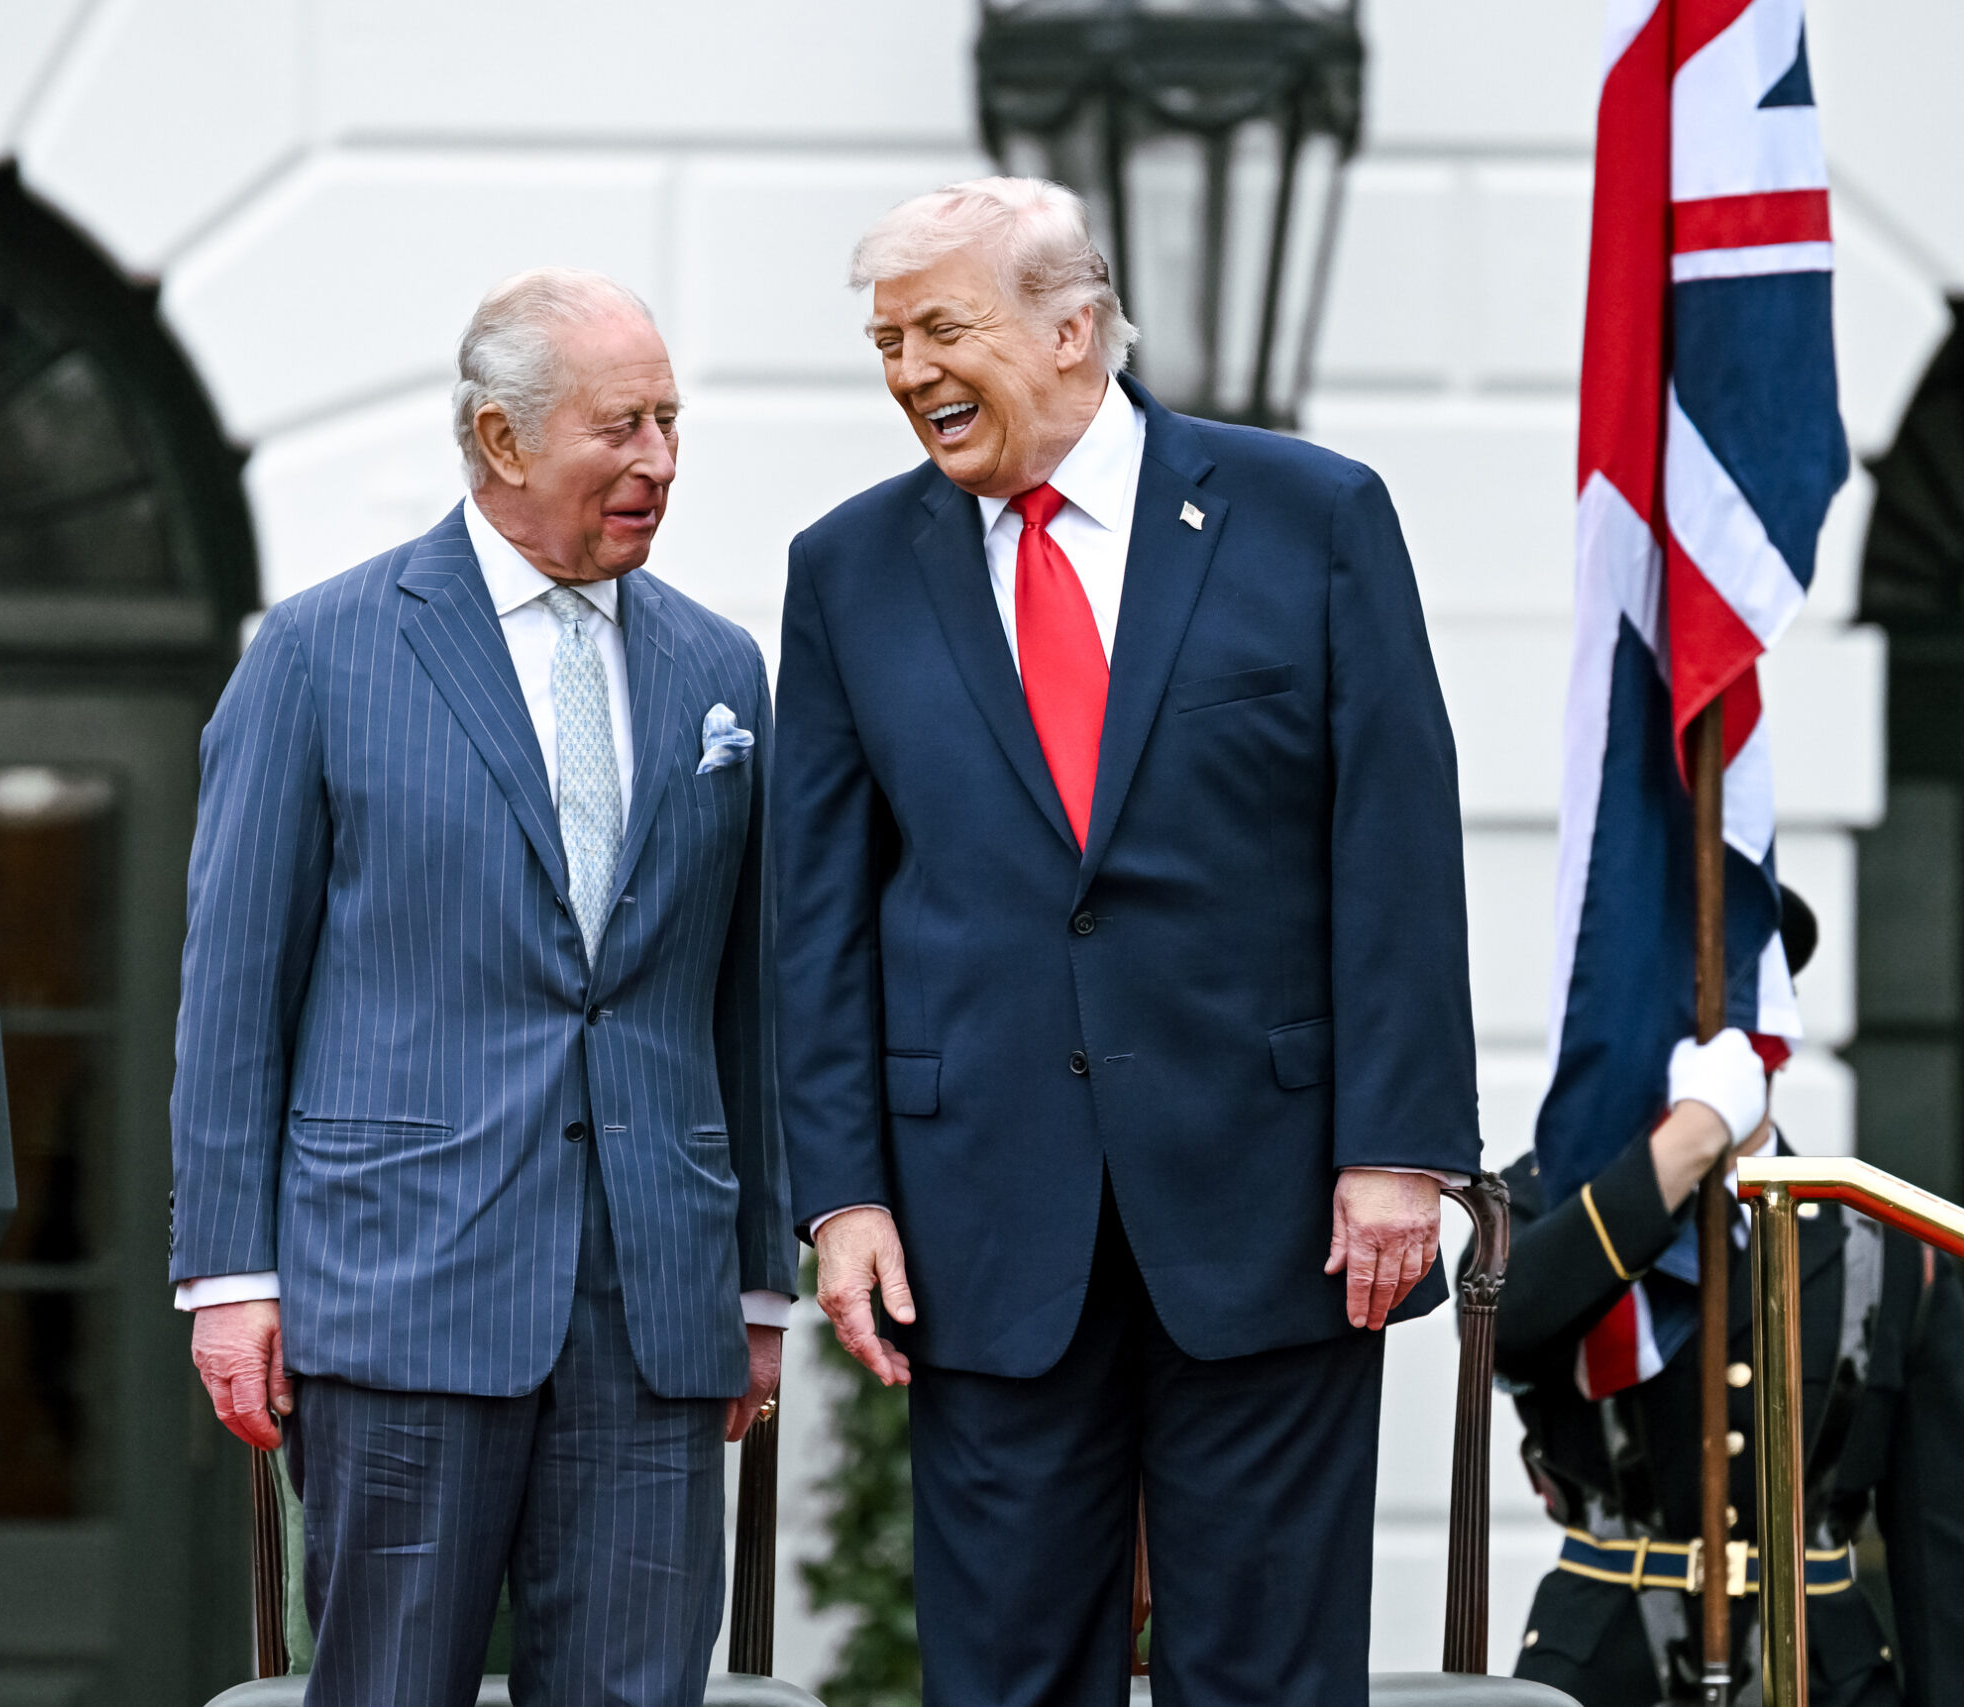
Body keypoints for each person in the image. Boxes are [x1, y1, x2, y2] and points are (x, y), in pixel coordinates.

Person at [769, 176, 1479, 1707]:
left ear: (1071, 326)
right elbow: (816, 916)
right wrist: (841, 1193)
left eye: (941, 328)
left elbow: (1397, 847)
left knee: (1266, 1676)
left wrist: (1399, 1147)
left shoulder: (1313, 515)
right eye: (887, 342)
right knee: (1005, 1674)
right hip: (979, 1227)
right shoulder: (846, 569)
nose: (909, 370)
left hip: (1274, 1205)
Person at [167, 267, 796, 1707]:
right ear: (502, 440)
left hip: (654, 1308)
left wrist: (758, 1280)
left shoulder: (720, 664)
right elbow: (235, 987)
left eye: (671, 422)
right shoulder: (321, 651)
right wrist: (233, 1280)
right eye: (622, 426)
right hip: (401, 1292)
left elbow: (746, 997)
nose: (660, 460)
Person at [1500, 894, 1964, 1707]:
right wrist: (1683, 1147)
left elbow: (1936, 1549)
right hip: (1607, 1671)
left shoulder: (1889, 1245)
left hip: (1824, 1677)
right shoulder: (1551, 1201)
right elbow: (1503, 1330)